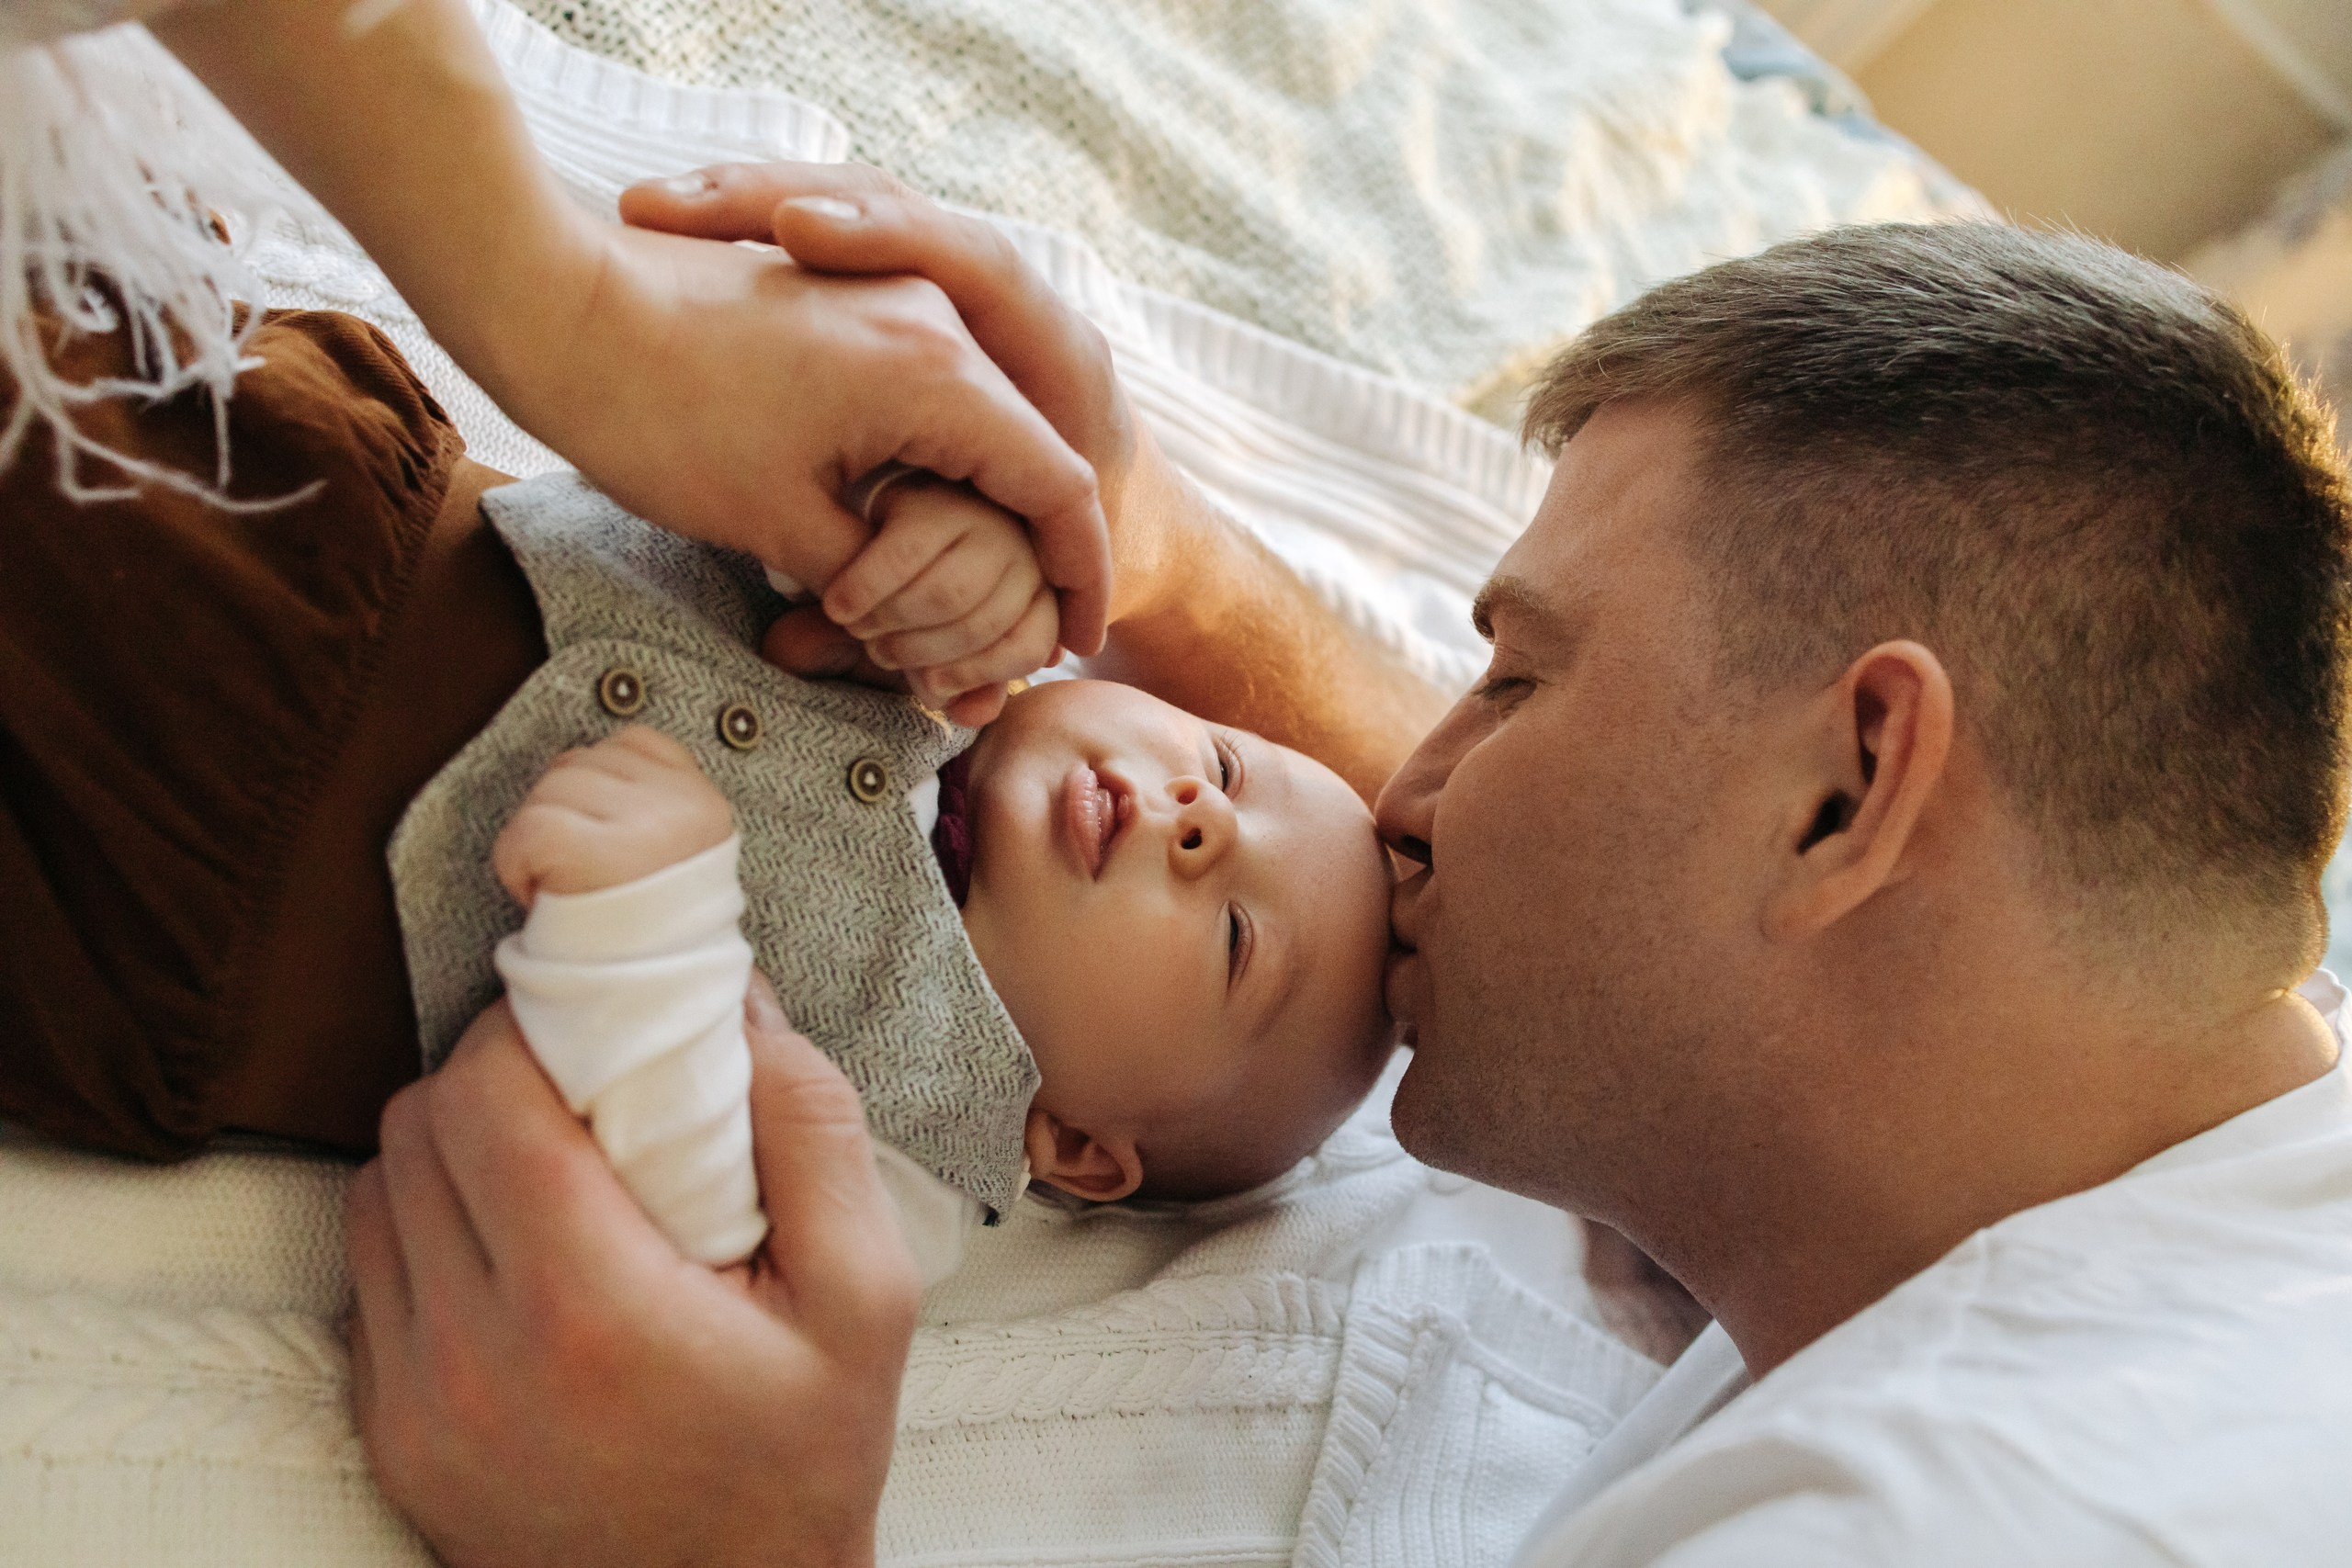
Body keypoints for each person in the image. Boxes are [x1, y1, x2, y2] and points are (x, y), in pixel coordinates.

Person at [348, 171, 2352, 1568]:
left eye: (1515, 672)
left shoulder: (1953, 1512)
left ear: (1849, 794)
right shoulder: (2178, 1117)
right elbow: (1668, 866)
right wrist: (1152, 552)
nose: (1400, 793)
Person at [3, 0, 1115, 710]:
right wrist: (923, 534)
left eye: (1237, 943)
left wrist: (583, 314)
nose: (1198, 822)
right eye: (1222, 765)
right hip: (288, 486)